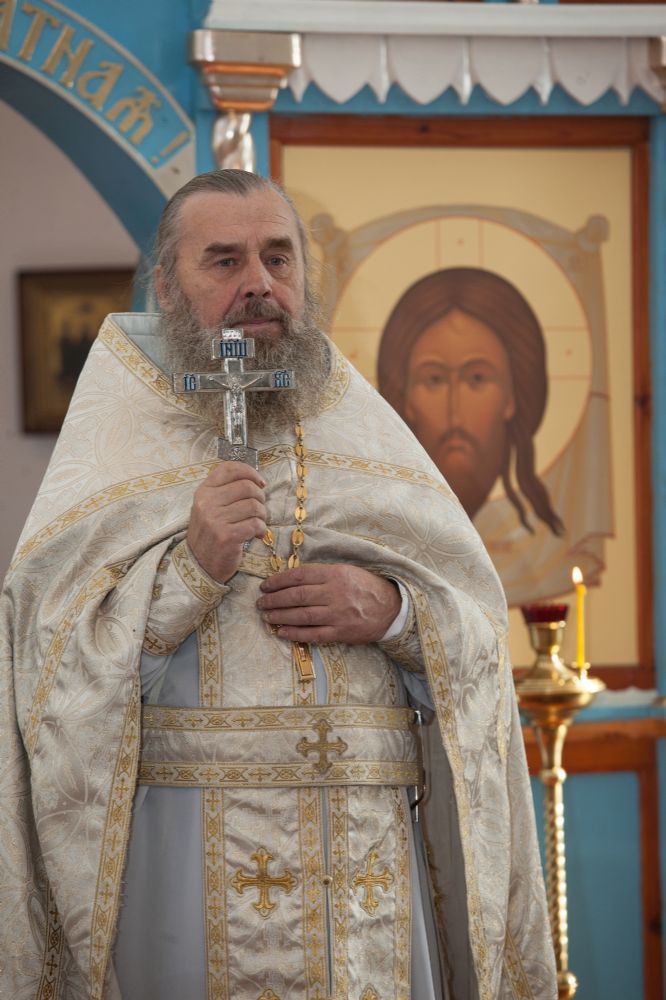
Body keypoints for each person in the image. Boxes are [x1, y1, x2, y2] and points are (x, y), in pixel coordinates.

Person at [0, 170, 556, 1000]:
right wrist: (188, 571)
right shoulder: (117, 445)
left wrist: (395, 611)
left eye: (278, 257)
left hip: (365, 871)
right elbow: (46, 672)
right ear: (166, 286)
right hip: (182, 860)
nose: (259, 283)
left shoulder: (365, 434)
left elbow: (475, 632)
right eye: (224, 261)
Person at [378, 267, 564, 536]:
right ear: (405, 399)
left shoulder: (538, 544)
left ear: (512, 396)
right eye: (434, 379)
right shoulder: (376, 528)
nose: (454, 412)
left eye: (477, 378)